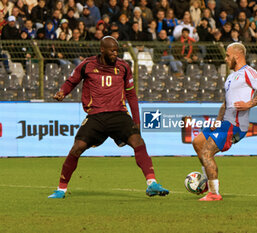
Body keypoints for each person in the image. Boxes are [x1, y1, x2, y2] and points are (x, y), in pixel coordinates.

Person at [48, 36, 169, 199]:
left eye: (117, 50)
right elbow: (71, 81)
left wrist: (137, 121)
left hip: (118, 114)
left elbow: (131, 95)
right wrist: (63, 92)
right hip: (96, 116)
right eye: (112, 50)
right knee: (77, 147)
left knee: (138, 142)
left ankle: (152, 183)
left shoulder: (124, 67)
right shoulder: (87, 65)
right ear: (102, 50)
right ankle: (60, 189)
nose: (115, 53)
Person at [192, 42, 257, 201]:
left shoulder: (249, 72)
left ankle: (214, 193)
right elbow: (226, 103)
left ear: (237, 55)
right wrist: (218, 120)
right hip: (224, 123)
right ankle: (207, 182)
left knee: (207, 152)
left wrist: (249, 104)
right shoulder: (230, 77)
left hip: (235, 126)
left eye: (228, 55)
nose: (225, 58)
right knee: (198, 142)